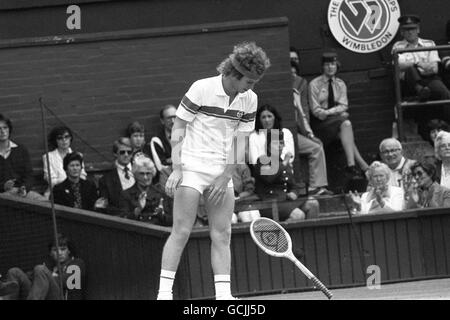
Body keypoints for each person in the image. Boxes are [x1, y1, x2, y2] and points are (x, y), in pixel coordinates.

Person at [157, 42, 271, 300]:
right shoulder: (202, 88)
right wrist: (176, 168)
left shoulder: (250, 99)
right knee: (182, 231)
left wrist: (226, 175)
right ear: (234, 73)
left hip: (222, 169)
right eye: (250, 81)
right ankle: (164, 295)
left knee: (223, 233)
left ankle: (223, 296)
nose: (251, 87)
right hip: (192, 167)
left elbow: (240, 141)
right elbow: (179, 127)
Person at [249, 104, 320, 221]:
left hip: (286, 200)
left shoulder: (282, 162)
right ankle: (283, 238)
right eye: (276, 144)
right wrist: (285, 162)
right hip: (271, 201)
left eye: (282, 144)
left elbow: (293, 184)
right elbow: (269, 177)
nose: (280, 146)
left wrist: (294, 193)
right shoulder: (262, 161)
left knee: (313, 203)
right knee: (298, 215)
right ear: (268, 146)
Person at [309, 52, 369, 177]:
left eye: (333, 64)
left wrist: (329, 112)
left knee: (345, 124)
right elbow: (316, 112)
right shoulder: (314, 84)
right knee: (344, 121)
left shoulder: (340, 84)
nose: (330, 67)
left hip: (335, 122)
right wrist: (334, 113)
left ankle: (352, 165)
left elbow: (344, 105)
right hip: (319, 125)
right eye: (327, 65)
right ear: (322, 67)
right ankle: (361, 165)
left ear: (337, 66)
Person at [0, 233, 85, 300]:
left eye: (63, 249)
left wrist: (44, 275)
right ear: (50, 253)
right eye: (55, 250)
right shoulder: (49, 266)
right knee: (15, 272)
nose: (59, 253)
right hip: (42, 296)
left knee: (40, 269)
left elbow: (65, 282)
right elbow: (29, 276)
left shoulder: (77, 263)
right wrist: (45, 275)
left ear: (69, 251)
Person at [291, 61, 333, 195]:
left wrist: (309, 135)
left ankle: (316, 187)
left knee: (316, 146)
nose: (293, 78)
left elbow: (301, 117)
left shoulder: (295, 93)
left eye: (294, 74)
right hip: (273, 135)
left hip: (291, 135)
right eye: (290, 74)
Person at [392, 14, 450, 102]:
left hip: (429, 79)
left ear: (418, 30)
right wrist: (418, 64)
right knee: (410, 69)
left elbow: (434, 69)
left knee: (445, 94)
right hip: (409, 83)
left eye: (413, 29)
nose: (410, 32)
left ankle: (423, 93)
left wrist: (417, 66)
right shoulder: (397, 47)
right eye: (406, 30)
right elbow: (400, 64)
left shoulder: (429, 44)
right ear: (402, 32)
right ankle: (421, 90)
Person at [0, 114, 45, 201]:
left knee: (46, 204)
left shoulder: (21, 149)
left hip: (21, 192)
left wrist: (24, 188)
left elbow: (29, 175)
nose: (2, 131)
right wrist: (3, 186)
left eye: (5, 127)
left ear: (9, 129)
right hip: (2, 195)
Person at [119, 154, 172, 226]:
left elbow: (172, 220)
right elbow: (122, 221)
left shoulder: (161, 194)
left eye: (148, 173)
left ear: (153, 174)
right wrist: (138, 209)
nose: (145, 177)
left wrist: (161, 214)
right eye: (141, 174)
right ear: (135, 175)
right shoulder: (126, 194)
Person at [42, 126, 87, 198]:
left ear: (70, 138)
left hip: (77, 191)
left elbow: (83, 176)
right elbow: (52, 181)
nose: (64, 140)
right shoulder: (48, 157)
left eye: (66, 137)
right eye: (60, 138)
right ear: (55, 140)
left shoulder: (78, 155)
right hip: (56, 193)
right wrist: (72, 179)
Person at [96, 137, 135, 215]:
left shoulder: (141, 171)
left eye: (129, 152)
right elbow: (106, 206)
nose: (126, 155)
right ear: (115, 153)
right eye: (122, 152)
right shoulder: (105, 180)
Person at [150, 105, 177, 187]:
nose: (173, 121)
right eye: (169, 118)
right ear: (162, 121)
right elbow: (161, 166)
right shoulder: (156, 140)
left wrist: (171, 160)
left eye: (175, 117)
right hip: (169, 182)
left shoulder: (187, 135)